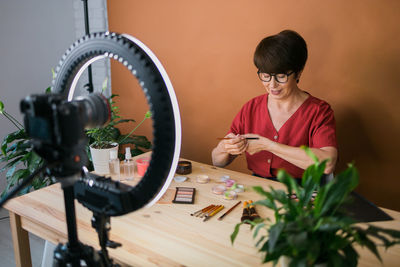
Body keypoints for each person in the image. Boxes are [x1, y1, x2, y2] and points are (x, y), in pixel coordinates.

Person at [211, 30, 337, 182]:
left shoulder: (319, 111)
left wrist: (269, 146)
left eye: (281, 76)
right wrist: (226, 147)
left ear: (298, 73)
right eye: (265, 76)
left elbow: (327, 163)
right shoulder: (251, 107)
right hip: (258, 188)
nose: (272, 84)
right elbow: (217, 161)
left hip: (301, 193)